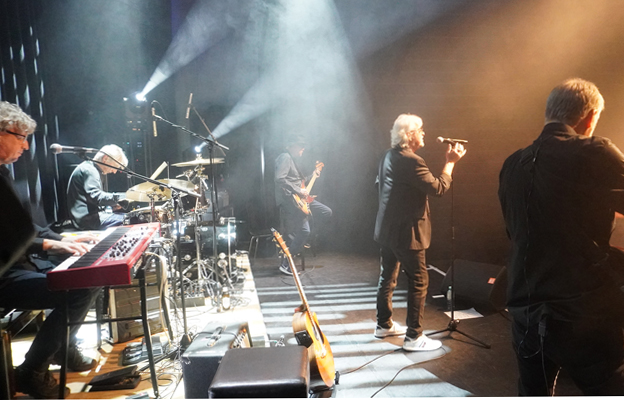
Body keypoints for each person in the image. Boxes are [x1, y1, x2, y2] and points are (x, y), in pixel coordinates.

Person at [498, 78, 624, 395]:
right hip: (583, 315)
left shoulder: (512, 164)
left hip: (525, 310)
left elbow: (514, 232)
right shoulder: (595, 151)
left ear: (549, 112)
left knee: (533, 393)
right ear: (590, 117)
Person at [0, 101, 101, 398]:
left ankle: (62, 349)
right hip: (5, 275)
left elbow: (25, 226)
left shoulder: (3, 173)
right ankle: (32, 371)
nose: (26, 145)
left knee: (90, 275)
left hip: (22, 264)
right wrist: (50, 243)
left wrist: (67, 237)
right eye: (21, 137)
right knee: (79, 289)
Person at [374, 113, 466, 351]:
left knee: (388, 276)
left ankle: (384, 325)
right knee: (419, 280)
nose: (424, 133)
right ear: (410, 134)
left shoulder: (388, 155)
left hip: (387, 229)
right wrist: (451, 162)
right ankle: (414, 337)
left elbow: (380, 185)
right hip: (407, 232)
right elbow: (438, 188)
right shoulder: (413, 161)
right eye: (420, 130)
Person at [274, 135, 332, 275]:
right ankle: (286, 263)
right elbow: (279, 178)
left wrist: (313, 175)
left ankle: (303, 238)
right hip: (291, 201)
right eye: (300, 146)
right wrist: (298, 190)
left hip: (301, 199)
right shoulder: (285, 157)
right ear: (292, 146)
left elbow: (298, 182)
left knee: (326, 212)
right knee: (305, 231)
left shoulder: (291, 159)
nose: (303, 149)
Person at [66, 144, 129, 230]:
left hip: (90, 217)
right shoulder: (89, 170)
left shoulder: (91, 168)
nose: (114, 171)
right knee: (131, 220)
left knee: (129, 217)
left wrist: (113, 204)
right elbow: (96, 196)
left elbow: (92, 199)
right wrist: (125, 196)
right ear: (105, 158)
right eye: (115, 167)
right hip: (88, 220)